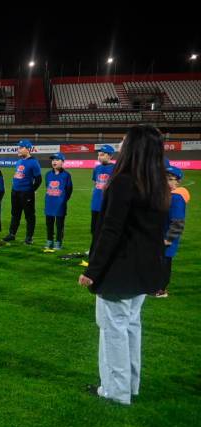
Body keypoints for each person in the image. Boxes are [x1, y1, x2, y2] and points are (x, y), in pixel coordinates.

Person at [79, 124, 171, 406]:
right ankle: (129, 385)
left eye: (124, 139)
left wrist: (92, 270)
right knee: (130, 325)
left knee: (114, 330)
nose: (120, 143)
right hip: (143, 270)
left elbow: (110, 230)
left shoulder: (124, 181)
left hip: (119, 270)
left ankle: (115, 391)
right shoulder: (157, 182)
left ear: (134, 146)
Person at [155, 165, 189, 298]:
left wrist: (168, 239)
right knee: (157, 262)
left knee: (164, 263)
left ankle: (161, 290)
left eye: (170, 179)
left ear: (177, 182)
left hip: (166, 239)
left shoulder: (176, 198)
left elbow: (178, 222)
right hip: (159, 237)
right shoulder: (166, 195)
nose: (165, 182)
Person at [4, 139, 42, 244]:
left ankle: (29, 237)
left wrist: (31, 191)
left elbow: (38, 180)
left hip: (26, 193)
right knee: (15, 214)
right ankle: (12, 234)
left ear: (28, 149)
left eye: (21, 147)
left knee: (29, 216)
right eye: (18, 147)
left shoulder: (34, 162)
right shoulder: (19, 161)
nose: (18, 149)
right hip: (15, 192)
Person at [44, 153, 73, 250]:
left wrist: (63, 200)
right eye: (53, 160)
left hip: (60, 204)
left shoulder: (66, 175)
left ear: (62, 162)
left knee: (59, 225)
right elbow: (47, 186)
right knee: (49, 224)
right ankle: (49, 241)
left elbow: (69, 190)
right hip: (49, 203)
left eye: (57, 160)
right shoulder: (48, 174)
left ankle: (58, 242)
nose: (54, 162)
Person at [91, 144, 116, 236]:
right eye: (98, 155)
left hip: (107, 204)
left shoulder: (115, 168)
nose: (99, 157)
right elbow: (95, 182)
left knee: (105, 230)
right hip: (95, 203)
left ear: (110, 155)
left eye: (102, 154)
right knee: (94, 229)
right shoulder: (97, 168)